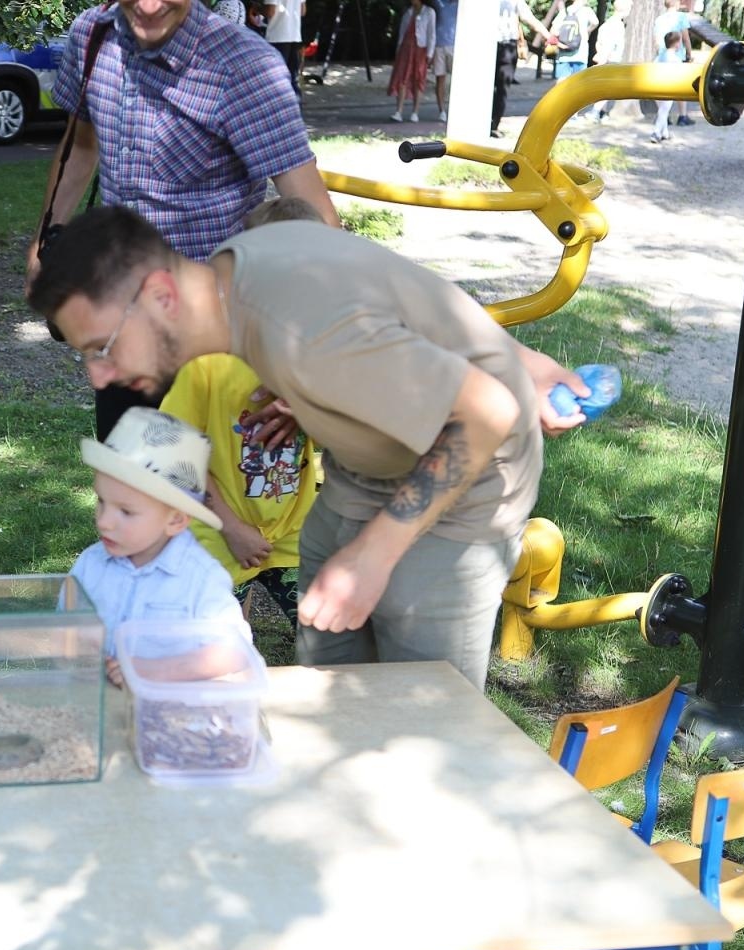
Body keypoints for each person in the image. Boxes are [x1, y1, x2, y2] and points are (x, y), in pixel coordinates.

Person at [29, 205, 591, 690]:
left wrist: (373, 556)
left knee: (426, 704)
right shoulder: (234, 272)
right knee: (329, 673)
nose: (98, 377)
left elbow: (488, 412)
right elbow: (398, 292)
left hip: (469, 482)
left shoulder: (303, 335)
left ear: (160, 295)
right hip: (364, 472)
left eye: (102, 348)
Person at [26, 0, 338, 443]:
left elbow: (319, 222)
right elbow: (81, 144)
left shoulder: (243, 66)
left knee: (215, 509)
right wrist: (43, 241)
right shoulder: (93, 36)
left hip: (218, 347)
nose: (150, 6)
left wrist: (306, 371)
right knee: (133, 497)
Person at [160, 195, 322, 630]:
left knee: (327, 640)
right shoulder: (207, 360)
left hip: (292, 536)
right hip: (215, 536)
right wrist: (229, 526)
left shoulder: (319, 356)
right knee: (218, 646)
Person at [68, 407, 250, 687]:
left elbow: (233, 652)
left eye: (126, 512)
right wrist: (78, 647)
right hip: (97, 707)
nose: (104, 522)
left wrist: (153, 670)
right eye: (101, 501)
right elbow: (64, 629)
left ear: (176, 519)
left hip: (169, 715)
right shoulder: (90, 565)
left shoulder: (201, 579)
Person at [494, 0, 551, 138]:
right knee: (502, 88)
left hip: (500, 45)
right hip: (504, 46)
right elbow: (529, 19)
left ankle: (492, 123)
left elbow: (529, 18)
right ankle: (492, 124)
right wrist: (548, 36)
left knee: (499, 88)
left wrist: (548, 35)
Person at [387, 0, 433, 124]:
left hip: (420, 49)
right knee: (402, 78)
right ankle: (399, 111)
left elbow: (431, 34)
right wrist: (398, 50)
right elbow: (402, 33)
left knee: (419, 79)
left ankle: (415, 112)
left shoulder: (429, 12)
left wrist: (430, 53)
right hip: (406, 49)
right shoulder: (408, 12)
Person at [654, 0, 695, 125]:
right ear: (676, 4)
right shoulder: (681, 17)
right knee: (680, 86)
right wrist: (689, 54)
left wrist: (660, 54)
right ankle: (682, 116)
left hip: (663, 56)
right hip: (678, 56)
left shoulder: (659, 20)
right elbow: (686, 38)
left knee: (662, 87)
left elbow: (656, 40)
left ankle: (664, 115)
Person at [591, 0, 626, 122]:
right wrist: (603, 60)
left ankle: (602, 112)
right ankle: (595, 112)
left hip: (606, 59)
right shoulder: (617, 26)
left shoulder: (607, 24)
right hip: (611, 60)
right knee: (608, 90)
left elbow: (599, 43)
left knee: (604, 88)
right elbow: (609, 46)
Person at [264, 0, 304, 95]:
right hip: (295, 35)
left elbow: (270, 12)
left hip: (277, 36)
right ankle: (295, 105)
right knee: (293, 77)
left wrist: (257, 9)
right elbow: (303, 11)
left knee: (276, 77)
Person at [651, 30, 684, 143]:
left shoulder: (660, 56)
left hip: (655, 86)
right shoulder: (675, 59)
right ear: (676, 43)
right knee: (663, 111)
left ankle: (665, 133)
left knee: (662, 110)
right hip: (667, 87)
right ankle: (656, 133)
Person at [431, 0, 456, 122]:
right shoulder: (439, 2)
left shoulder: (461, 5)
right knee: (440, 79)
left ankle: (454, 109)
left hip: (455, 46)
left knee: (457, 81)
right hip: (439, 46)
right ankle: (442, 110)